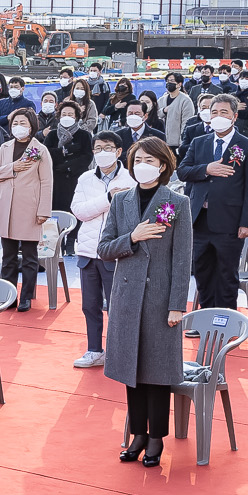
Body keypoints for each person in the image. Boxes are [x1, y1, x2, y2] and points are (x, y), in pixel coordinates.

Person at [95, 137, 192, 466]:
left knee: (157, 371)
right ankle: (137, 434)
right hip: (126, 296)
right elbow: (104, 249)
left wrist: (177, 303)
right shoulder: (121, 201)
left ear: (162, 165)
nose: (142, 166)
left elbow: (182, 259)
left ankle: (155, 438)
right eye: (138, 160)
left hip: (160, 298)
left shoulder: (176, 203)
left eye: (150, 160)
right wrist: (132, 238)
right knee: (131, 369)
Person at [177, 96, 248, 308]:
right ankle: (204, 317)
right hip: (200, 219)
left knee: (226, 274)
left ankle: (225, 320)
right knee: (202, 272)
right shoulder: (199, 142)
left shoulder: (247, 146)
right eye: (214, 112)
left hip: (230, 222)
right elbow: (183, 171)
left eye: (224, 112)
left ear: (234, 116)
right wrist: (206, 169)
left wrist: (247, 222)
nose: (218, 116)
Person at [68, 131, 137, 368]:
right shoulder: (86, 179)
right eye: (97, 148)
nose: (102, 153)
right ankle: (94, 350)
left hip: (116, 252)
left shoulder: (131, 179)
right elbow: (79, 211)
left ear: (118, 152)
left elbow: (130, 217)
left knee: (118, 307)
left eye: (107, 148)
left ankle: (120, 352)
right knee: (90, 305)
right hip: (88, 251)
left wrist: (104, 206)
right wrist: (108, 199)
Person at [0, 109, 51, 310]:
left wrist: (43, 210)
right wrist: (12, 167)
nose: (18, 127)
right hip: (6, 207)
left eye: (22, 123)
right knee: (8, 256)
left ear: (31, 125)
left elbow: (46, 181)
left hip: (29, 208)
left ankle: (26, 296)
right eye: (15, 123)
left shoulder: (40, 150)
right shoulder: (5, 147)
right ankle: (8, 295)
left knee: (30, 256)